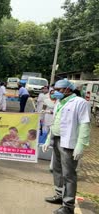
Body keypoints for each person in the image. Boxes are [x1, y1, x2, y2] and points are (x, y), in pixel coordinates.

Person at [42, 79, 90, 214]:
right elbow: (55, 122)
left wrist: (81, 144)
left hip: (69, 143)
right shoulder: (59, 102)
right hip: (57, 140)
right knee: (56, 169)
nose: (55, 92)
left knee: (69, 174)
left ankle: (68, 206)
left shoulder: (80, 103)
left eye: (58, 90)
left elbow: (85, 124)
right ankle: (59, 195)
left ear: (68, 89)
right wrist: (47, 139)